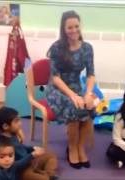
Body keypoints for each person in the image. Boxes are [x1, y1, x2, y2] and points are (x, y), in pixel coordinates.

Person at [45, 10, 95, 169]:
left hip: (76, 86)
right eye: (69, 27)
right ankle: (72, 148)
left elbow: (91, 74)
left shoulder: (87, 48)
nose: (74, 30)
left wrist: (87, 94)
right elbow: (55, 77)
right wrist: (73, 95)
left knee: (90, 105)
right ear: (63, 29)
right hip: (57, 89)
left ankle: (80, 147)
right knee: (74, 106)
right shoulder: (57, 48)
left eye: (76, 26)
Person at [0, 107, 58, 180]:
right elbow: (15, 165)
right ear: (5, 126)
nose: (20, 123)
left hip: (29, 162)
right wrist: (32, 155)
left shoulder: (12, 134)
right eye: (16, 121)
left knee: (51, 156)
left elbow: (20, 147)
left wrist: (32, 148)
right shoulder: (2, 146)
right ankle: (44, 175)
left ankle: (50, 175)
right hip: (20, 171)